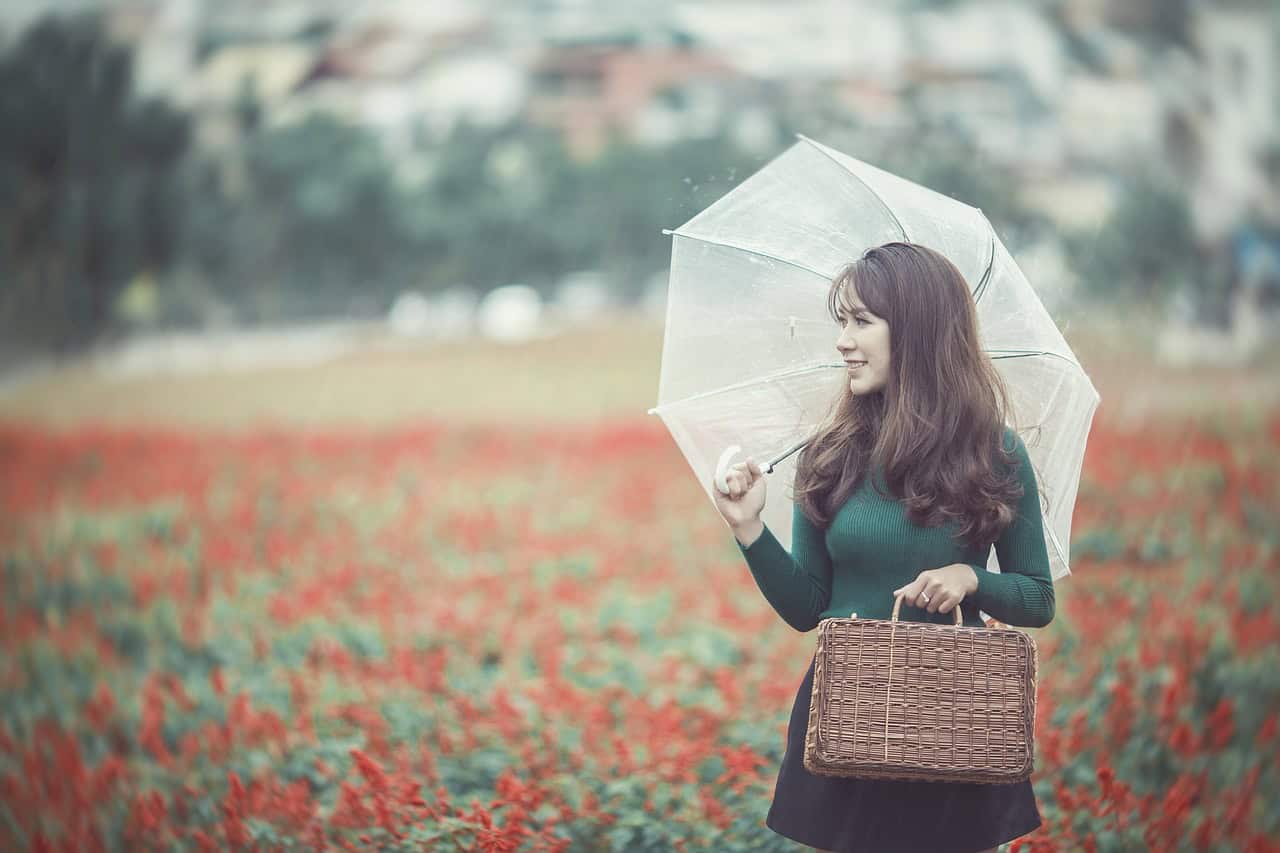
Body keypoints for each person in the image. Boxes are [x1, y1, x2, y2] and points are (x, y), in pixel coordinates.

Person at [712, 241, 1055, 853]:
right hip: (848, 709)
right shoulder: (831, 453)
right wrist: (748, 529)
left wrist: (972, 579)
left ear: (919, 331)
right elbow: (806, 607)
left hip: (954, 713)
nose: (843, 340)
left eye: (862, 321)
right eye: (841, 321)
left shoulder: (994, 453)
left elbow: (1037, 598)